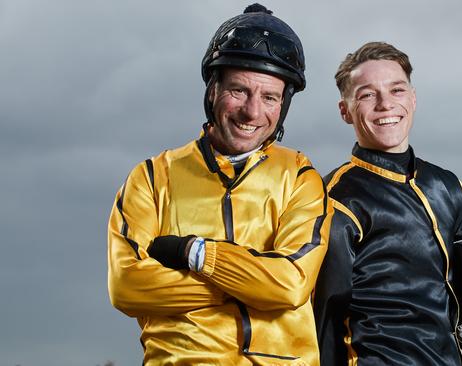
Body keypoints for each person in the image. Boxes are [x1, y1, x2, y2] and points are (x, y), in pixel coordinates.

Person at [107, 4, 332, 365]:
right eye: (239, 91)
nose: (252, 112)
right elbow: (127, 286)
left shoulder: (300, 177)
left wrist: (195, 254)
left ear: (284, 104)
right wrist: (252, 285)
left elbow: (290, 284)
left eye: (270, 97)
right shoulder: (150, 178)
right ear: (213, 90)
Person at [313, 42, 462, 366]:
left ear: (413, 98)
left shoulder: (447, 188)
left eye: (396, 90)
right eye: (367, 94)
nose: (385, 104)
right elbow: (319, 321)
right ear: (345, 110)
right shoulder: (334, 200)